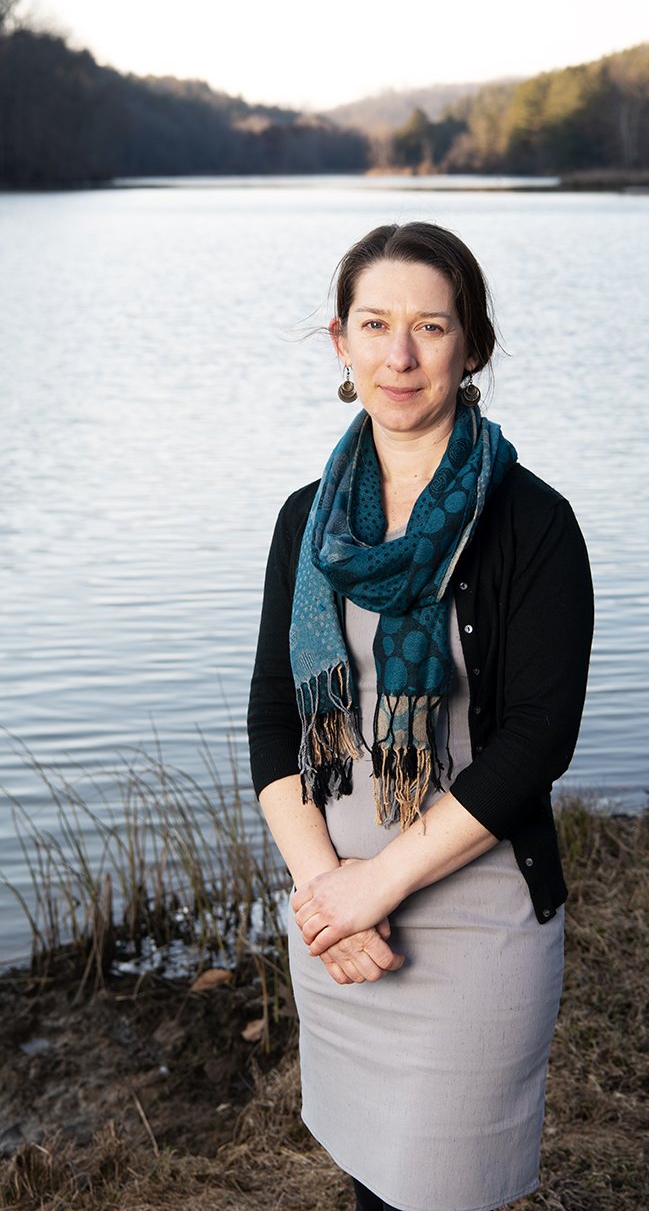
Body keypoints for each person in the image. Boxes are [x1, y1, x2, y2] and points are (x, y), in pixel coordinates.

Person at [247, 221, 593, 1211]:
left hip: (472, 928)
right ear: (339, 342)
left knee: (440, 1196)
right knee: (371, 1189)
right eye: (376, 324)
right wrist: (324, 889)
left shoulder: (532, 522)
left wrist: (376, 888)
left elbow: (537, 740)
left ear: (472, 345)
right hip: (334, 923)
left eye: (431, 326)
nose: (400, 355)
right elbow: (274, 712)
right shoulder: (307, 521)